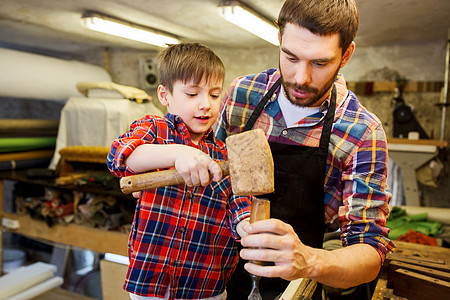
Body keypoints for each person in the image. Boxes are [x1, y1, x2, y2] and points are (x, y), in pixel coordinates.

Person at [214, 0, 396, 298]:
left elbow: (369, 254)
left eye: (320, 63)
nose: (301, 78)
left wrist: (308, 259)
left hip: (302, 286)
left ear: (346, 54)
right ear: (279, 38)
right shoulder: (241, 96)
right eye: (291, 57)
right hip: (223, 278)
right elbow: (215, 179)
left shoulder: (362, 132)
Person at [107, 43, 252, 300]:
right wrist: (177, 153)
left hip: (205, 282)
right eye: (192, 94)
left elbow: (239, 206)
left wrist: (249, 229)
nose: (205, 104)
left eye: (214, 95)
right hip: (153, 280)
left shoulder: (224, 154)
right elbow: (121, 156)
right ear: (164, 95)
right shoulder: (154, 130)